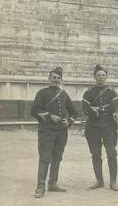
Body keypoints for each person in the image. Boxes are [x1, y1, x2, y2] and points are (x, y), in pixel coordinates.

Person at [31, 67, 77, 198]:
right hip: (46, 131)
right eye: (54, 77)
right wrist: (50, 116)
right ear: (49, 79)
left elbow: (74, 112)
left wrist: (68, 121)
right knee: (45, 158)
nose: (56, 80)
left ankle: (52, 183)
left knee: (57, 157)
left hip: (61, 132)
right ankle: (40, 187)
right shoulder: (42, 93)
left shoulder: (64, 94)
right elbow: (34, 111)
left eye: (58, 78)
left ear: (61, 80)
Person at [82, 65, 118, 191]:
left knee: (111, 154)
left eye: (103, 75)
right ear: (94, 77)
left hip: (109, 127)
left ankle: (113, 181)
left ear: (106, 77)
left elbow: (114, 106)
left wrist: (99, 109)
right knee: (95, 154)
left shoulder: (112, 92)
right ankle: (99, 180)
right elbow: (85, 109)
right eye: (98, 75)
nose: (101, 77)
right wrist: (95, 111)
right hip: (93, 127)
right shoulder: (88, 92)